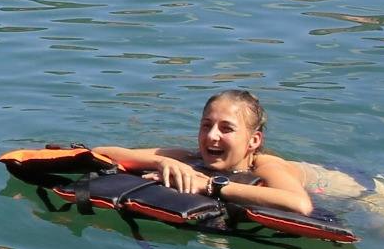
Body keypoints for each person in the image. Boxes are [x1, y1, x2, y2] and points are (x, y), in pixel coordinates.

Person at [94, 89, 316, 218]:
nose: (212, 136)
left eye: (226, 129)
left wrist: (210, 186)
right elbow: (100, 153)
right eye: (206, 125)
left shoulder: (267, 166)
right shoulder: (190, 157)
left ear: (254, 140)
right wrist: (161, 162)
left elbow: (301, 205)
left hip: (329, 184)